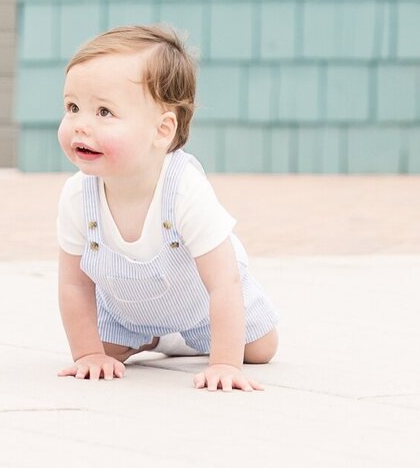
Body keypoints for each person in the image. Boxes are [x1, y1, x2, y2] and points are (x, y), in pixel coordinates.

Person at [55, 22, 279, 393]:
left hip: (203, 306)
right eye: (73, 107)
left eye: (104, 112)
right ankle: (155, 338)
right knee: (104, 350)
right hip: (129, 311)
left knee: (261, 348)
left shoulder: (184, 190)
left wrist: (224, 364)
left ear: (162, 130)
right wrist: (87, 354)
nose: (81, 125)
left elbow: (224, 283)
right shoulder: (79, 197)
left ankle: (187, 338)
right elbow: (74, 285)